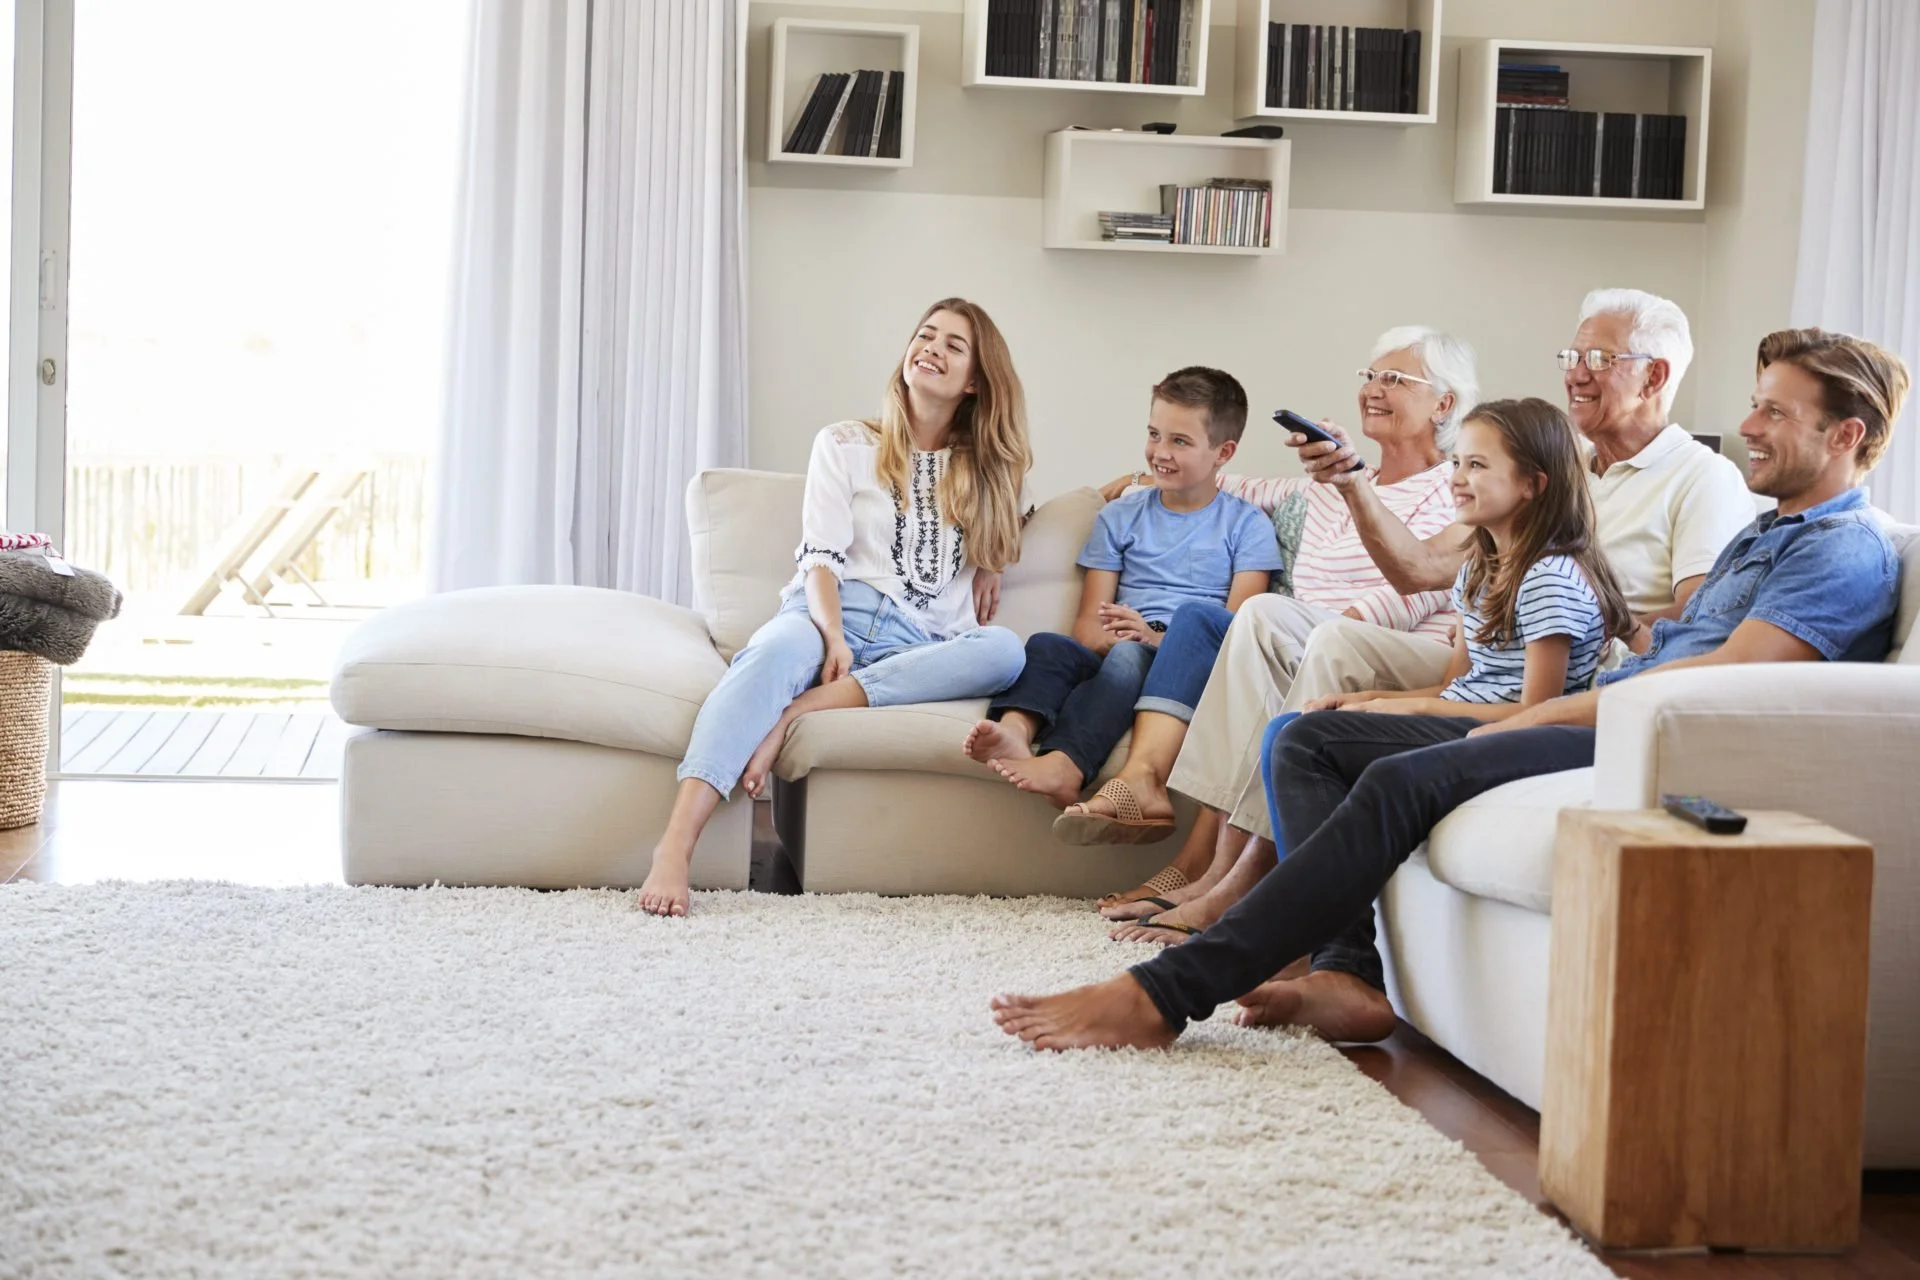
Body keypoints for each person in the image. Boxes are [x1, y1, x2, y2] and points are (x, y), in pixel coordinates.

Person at [991, 326, 1908, 1050]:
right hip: (1614, 707)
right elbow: (1672, 637)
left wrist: (1546, 706)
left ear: (1847, 435)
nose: (1747, 425)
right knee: (1308, 740)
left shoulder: (1841, 550)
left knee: (1392, 776)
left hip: (1636, 731)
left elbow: (1721, 683)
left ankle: (1164, 996)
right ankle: (1348, 973)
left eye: (1774, 413)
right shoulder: (1767, 531)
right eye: (1755, 405)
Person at [1098, 288, 1753, 945]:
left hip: (1571, 675)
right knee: (1268, 620)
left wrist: (1584, 607)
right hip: (1490, 657)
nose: (1575, 370)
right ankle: (1209, 867)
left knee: (1327, 657)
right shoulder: (1556, 468)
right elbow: (1425, 569)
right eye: (1572, 353)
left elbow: (1695, 621)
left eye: (1599, 357)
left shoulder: (1701, 478)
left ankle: (1246, 887)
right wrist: (1353, 486)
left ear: (1656, 375)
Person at [637, 298, 1033, 917]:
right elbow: (820, 556)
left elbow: (1024, 515)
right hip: (832, 613)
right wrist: (832, 636)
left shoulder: (989, 470)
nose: (931, 347)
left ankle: (796, 712)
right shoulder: (845, 443)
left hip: (921, 641)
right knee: (768, 655)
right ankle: (675, 847)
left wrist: (994, 562)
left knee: (1007, 651)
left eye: (954, 346)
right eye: (925, 335)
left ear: (976, 380)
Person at [1049, 326, 1475, 851]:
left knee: (1261, 630)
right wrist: (1144, 477)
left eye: (1394, 378)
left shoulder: (1457, 488)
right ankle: (1146, 785)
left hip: (1387, 649)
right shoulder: (1328, 484)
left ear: (1443, 404)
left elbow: (1418, 589)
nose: (1373, 388)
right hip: (1304, 639)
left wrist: (1317, 634)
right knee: (1205, 621)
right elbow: (1228, 480)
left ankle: (1200, 863)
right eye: (1369, 376)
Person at [962, 368, 1282, 809]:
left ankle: (1066, 765)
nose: (1160, 452)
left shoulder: (1248, 526)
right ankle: (1015, 732)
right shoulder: (1120, 517)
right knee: (1047, 647)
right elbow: (1087, 628)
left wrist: (1151, 639)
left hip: (1185, 661)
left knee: (1132, 656)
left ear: (1223, 452)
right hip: (1118, 645)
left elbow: (1235, 632)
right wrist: (1120, 637)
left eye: (1180, 441)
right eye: (1154, 434)